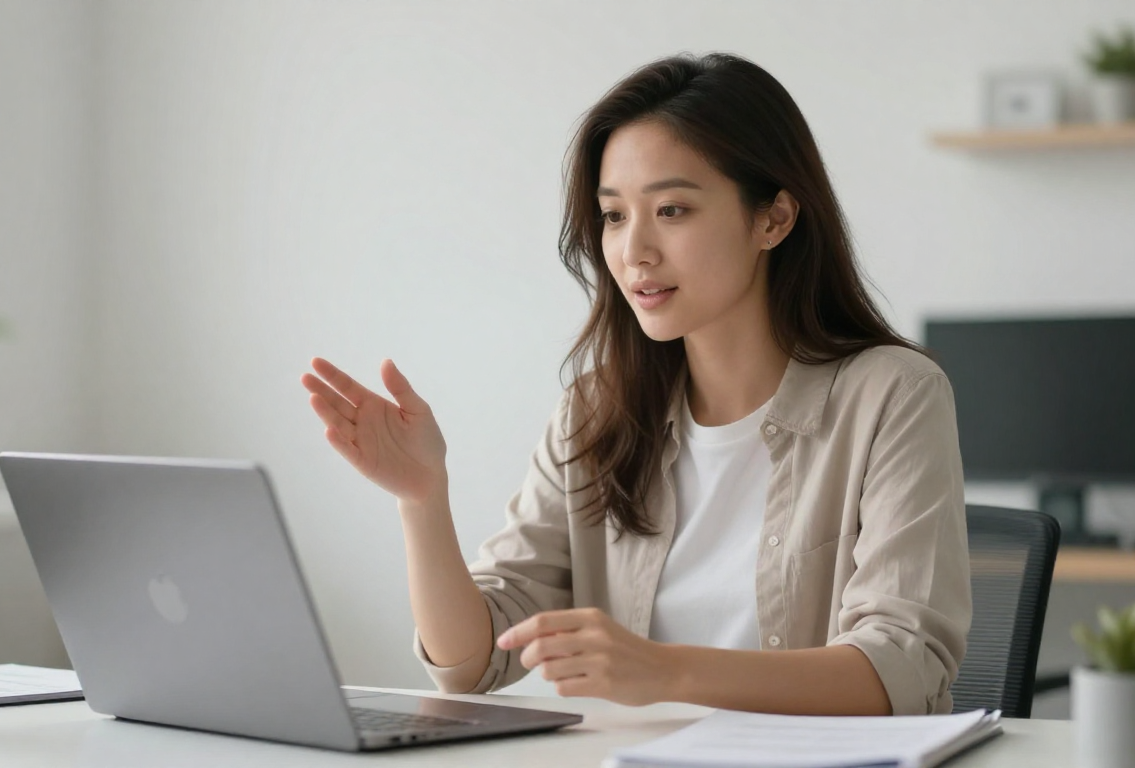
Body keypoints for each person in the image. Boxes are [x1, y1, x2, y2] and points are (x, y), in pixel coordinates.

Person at [300, 53, 970, 717]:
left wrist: (664, 671)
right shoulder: (595, 412)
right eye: (615, 215)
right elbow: (473, 662)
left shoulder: (893, 394)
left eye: (672, 210)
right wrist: (423, 500)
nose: (633, 252)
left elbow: (902, 667)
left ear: (773, 219)